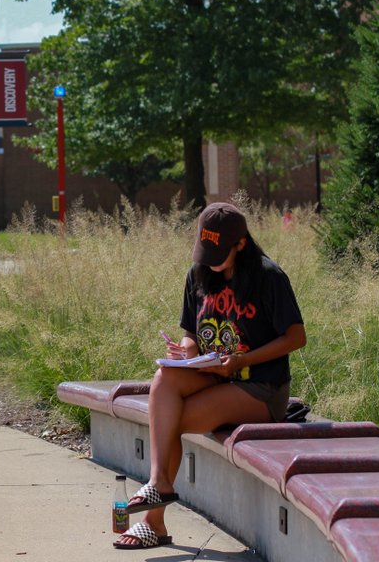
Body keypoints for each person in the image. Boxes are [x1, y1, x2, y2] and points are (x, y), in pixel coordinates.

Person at [114, 202, 306, 551]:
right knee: (164, 378)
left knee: (169, 420)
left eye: (219, 252)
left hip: (260, 387)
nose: (210, 260)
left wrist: (241, 360)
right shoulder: (199, 274)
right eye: (206, 251)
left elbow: (296, 338)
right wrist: (186, 350)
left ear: (241, 244)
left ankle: (153, 521)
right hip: (214, 375)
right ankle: (158, 484)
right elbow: (190, 331)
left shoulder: (268, 276)